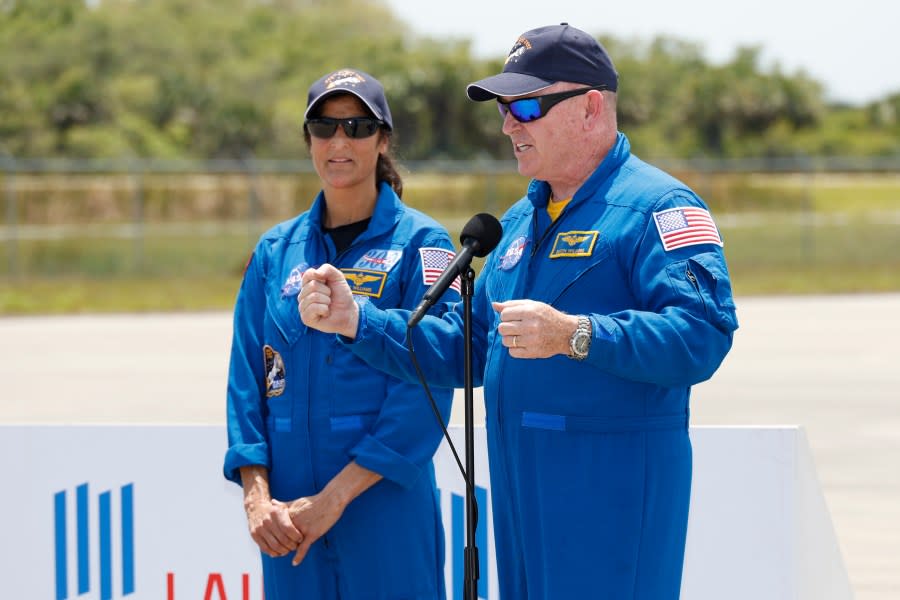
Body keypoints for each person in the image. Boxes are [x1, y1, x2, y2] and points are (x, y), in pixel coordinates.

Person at [299, 24, 740, 600]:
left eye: (526, 106)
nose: (509, 124)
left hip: (609, 497)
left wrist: (577, 334)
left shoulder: (657, 207)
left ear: (589, 109)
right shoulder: (515, 225)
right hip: (518, 495)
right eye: (505, 108)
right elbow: (472, 348)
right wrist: (356, 320)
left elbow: (702, 333)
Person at [223, 68, 458, 599]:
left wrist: (335, 498)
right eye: (324, 128)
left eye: (356, 126)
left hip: (382, 506)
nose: (339, 142)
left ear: (383, 139)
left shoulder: (423, 244)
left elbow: (427, 383)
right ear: (308, 141)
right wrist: (257, 499)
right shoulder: (274, 251)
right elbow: (246, 382)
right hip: (289, 519)